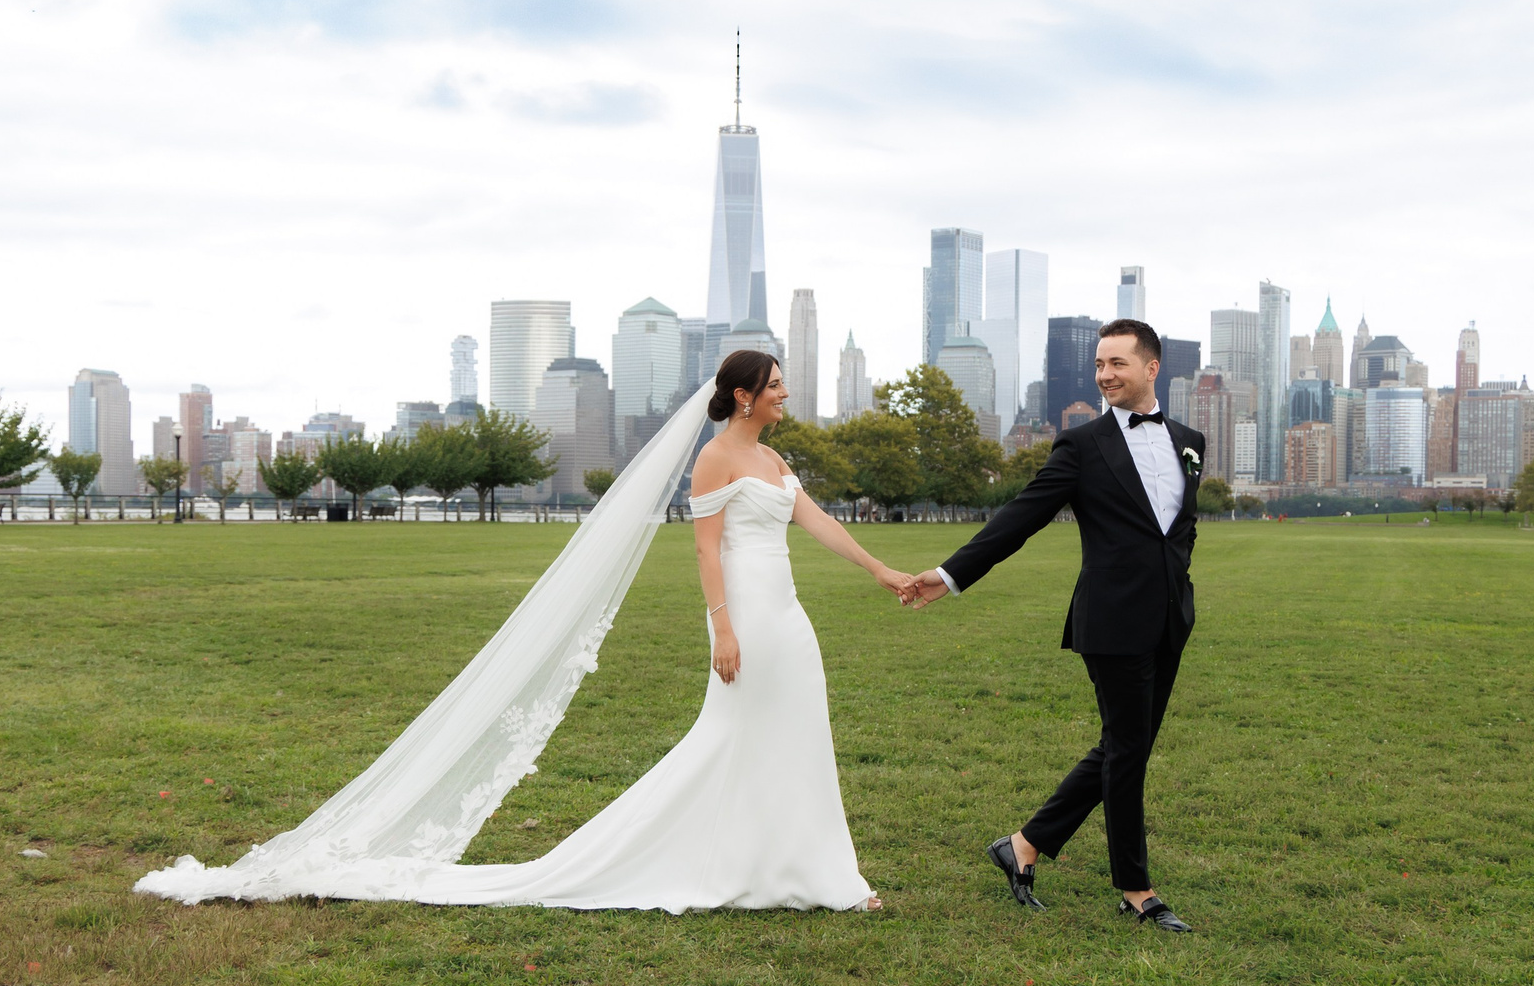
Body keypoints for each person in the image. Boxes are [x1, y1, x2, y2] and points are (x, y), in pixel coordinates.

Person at [136, 350, 919, 913]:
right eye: (776, 387)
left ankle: (809, 868)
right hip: (745, 611)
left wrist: (882, 571)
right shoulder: (714, 462)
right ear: (744, 395)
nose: (786, 396)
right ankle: (781, 871)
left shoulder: (776, 461)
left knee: (795, 734)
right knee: (730, 738)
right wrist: (722, 628)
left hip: (789, 614)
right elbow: (706, 549)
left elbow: (818, 522)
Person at [902, 318, 1206, 932]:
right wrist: (950, 573)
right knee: (1128, 750)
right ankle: (1137, 890)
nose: (1104, 374)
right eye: (1099, 364)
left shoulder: (1190, 440)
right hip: (1111, 620)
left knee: (1128, 747)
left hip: (1170, 619)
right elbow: (1021, 517)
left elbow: (1180, 528)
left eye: (1117, 363)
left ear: (1152, 369)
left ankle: (1022, 846)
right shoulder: (1082, 445)